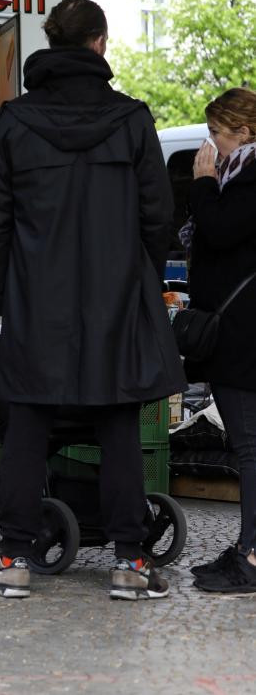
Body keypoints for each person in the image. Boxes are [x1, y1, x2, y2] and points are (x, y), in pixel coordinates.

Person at [0, 0, 186, 599]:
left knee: (27, 424)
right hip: (114, 295)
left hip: (37, 296)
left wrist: (7, 290)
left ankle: (13, 558)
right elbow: (157, 216)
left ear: (53, 41)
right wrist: (137, 279)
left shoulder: (15, 121)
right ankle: (131, 564)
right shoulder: (132, 119)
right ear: (100, 43)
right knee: (118, 422)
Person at [181, 88, 256, 593]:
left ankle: (251, 558)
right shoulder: (241, 175)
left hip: (244, 340)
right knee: (247, 445)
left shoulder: (246, 178)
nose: (210, 144)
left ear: (244, 133)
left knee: (249, 447)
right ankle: (247, 547)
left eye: (216, 133)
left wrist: (205, 184)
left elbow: (222, 231)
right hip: (238, 337)